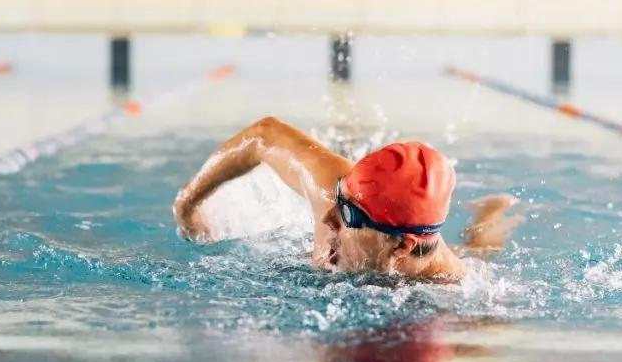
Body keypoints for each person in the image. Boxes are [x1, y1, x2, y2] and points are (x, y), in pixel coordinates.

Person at [173, 116, 520, 282]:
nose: (327, 218)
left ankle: (491, 212)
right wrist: (189, 204)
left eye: (349, 215)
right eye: (339, 198)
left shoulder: (451, 296)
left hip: (426, 264)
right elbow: (264, 135)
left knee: (478, 253)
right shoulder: (338, 195)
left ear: (401, 247)